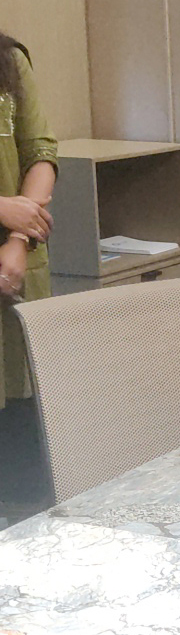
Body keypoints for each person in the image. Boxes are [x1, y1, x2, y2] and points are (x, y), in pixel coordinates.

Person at [0, 32, 57, 410]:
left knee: (26, 415)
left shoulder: (10, 59)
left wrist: (19, 238)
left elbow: (40, 152)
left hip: (16, 264)